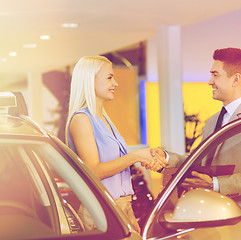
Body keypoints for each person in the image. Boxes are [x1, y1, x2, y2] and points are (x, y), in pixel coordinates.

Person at [153, 47, 241, 199]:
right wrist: (165, 158)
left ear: (235, 79)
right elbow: (197, 161)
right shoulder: (212, 121)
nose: (210, 82)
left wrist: (214, 184)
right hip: (210, 211)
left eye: (215, 75)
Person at [65, 56, 166, 233]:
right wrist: (134, 156)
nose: (116, 83)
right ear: (90, 80)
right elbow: (94, 171)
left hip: (122, 208)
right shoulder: (81, 119)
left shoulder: (104, 119)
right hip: (101, 212)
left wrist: (130, 214)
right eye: (109, 77)